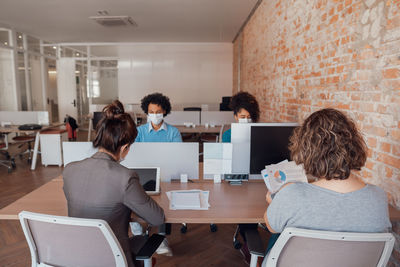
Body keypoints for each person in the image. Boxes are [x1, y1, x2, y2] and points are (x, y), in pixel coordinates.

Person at [264, 108, 391, 251]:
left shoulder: (291, 194)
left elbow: (271, 226)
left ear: (307, 151)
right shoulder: (378, 197)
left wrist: (274, 201)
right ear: (354, 145)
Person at [63, 100, 165, 267]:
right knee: (140, 240)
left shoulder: (69, 170)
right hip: (113, 259)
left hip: (77, 256)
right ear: (124, 147)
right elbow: (157, 218)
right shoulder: (126, 177)